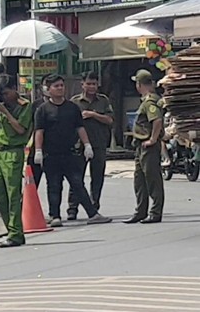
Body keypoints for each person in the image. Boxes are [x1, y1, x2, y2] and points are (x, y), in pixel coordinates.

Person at [34, 74, 112, 227]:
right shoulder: (43, 110)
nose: (60, 88)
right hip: (51, 153)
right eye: (56, 86)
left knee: (77, 183)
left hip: (70, 152)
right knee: (54, 185)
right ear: (48, 90)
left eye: (61, 85)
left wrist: (87, 145)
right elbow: (39, 131)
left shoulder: (72, 107)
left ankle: (92, 214)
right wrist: (38, 150)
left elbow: (80, 127)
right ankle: (55, 215)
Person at [0, 74, 33, 248]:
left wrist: (5, 112)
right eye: (0, 94)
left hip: (13, 152)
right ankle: (10, 231)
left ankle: (16, 233)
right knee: (0, 195)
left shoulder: (24, 106)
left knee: (13, 195)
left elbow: (20, 129)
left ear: (15, 89)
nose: (4, 97)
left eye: (5, 93)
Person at [67, 71, 114, 220]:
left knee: (98, 177)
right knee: (76, 178)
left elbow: (110, 120)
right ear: (83, 84)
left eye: (94, 84)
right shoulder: (75, 102)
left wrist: (93, 115)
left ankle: (94, 206)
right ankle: (72, 208)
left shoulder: (103, 100)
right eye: (88, 84)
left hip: (99, 144)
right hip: (79, 146)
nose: (92, 87)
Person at [124, 69, 165, 224]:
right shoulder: (147, 100)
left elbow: (157, 121)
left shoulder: (150, 101)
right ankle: (140, 211)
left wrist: (153, 139)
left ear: (139, 84)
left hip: (148, 146)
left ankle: (155, 212)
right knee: (139, 180)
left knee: (152, 179)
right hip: (140, 146)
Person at [27, 74, 52, 187]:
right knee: (32, 182)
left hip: (54, 150)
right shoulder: (35, 105)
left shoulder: (65, 105)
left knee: (53, 183)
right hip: (36, 149)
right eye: (46, 85)